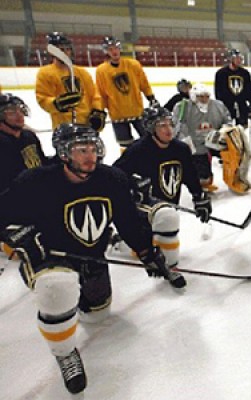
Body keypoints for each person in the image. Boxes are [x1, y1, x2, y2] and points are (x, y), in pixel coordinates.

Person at [0, 123, 185, 394]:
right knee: (57, 288)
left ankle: (65, 308)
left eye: (93, 149)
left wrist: (146, 251)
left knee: (97, 315)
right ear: (64, 154)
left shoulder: (112, 179)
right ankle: (65, 353)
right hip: (50, 257)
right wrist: (22, 238)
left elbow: (128, 220)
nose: (90, 156)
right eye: (81, 150)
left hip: (91, 257)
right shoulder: (35, 181)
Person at [113, 107, 211, 270]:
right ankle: (121, 241)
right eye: (162, 126)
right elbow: (115, 175)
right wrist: (133, 183)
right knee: (148, 245)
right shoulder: (138, 150)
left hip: (169, 204)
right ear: (151, 128)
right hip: (144, 208)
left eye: (170, 124)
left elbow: (190, 174)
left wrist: (199, 196)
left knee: (165, 232)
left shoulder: (181, 148)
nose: (169, 130)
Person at [95, 36, 159, 150]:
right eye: (110, 49)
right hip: (117, 114)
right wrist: (99, 110)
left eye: (116, 48)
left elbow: (144, 83)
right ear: (106, 52)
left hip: (137, 111)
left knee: (149, 140)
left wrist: (151, 98)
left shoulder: (133, 64)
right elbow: (101, 92)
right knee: (125, 146)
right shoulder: (101, 70)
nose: (114, 51)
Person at [35, 32, 103, 130]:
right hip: (63, 127)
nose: (66, 53)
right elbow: (43, 98)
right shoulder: (45, 73)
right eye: (61, 50)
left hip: (87, 124)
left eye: (68, 49)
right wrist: (57, 103)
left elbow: (95, 95)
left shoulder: (82, 72)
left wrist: (97, 111)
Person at [172, 83, 233, 192]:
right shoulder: (182, 107)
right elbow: (178, 127)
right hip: (196, 144)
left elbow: (227, 122)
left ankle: (234, 178)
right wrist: (186, 141)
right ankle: (203, 180)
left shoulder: (218, 105)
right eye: (200, 96)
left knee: (234, 152)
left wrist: (222, 133)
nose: (204, 99)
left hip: (216, 140)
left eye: (206, 96)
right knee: (202, 172)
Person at [0, 93, 49, 193]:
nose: (19, 115)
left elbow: (43, 163)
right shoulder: (3, 143)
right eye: (12, 112)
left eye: (21, 110)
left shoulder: (29, 136)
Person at [214, 49, 251, 129]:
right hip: (226, 107)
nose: (239, 60)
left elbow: (249, 91)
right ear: (231, 59)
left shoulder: (245, 73)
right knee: (226, 131)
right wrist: (220, 107)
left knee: (241, 131)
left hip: (242, 107)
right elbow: (218, 92)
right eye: (237, 58)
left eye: (240, 58)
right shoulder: (221, 73)